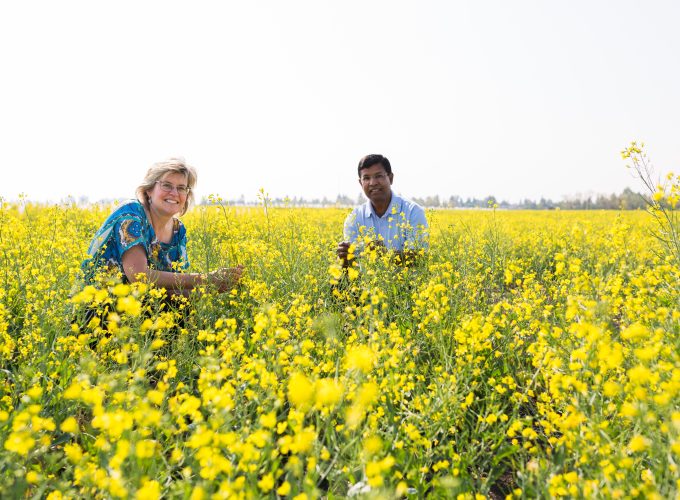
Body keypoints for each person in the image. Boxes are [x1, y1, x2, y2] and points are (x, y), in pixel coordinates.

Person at [82, 157, 243, 294]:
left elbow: (176, 289)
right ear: (149, 190)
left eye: (181, 188)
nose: (174, 193)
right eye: (166, 185)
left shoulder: (178, 230)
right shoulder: (131, 215)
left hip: (139, 314)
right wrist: (206, 279)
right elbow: (139, 277)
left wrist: (216, 287)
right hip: (96, 313)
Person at [336, 154, 428, 266]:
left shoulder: (412, 212)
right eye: (366, 178)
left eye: (378, 176)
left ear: (390, 178)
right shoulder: (354, 218)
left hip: (406, 283)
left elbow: (420, 257)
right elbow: (353, 265)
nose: (373, 183)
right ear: (361, 183)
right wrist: (345, 258)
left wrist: (385, 256)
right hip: (366, 283)